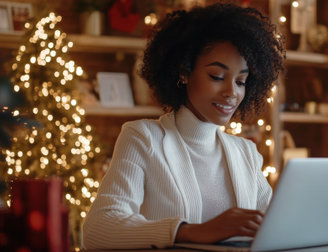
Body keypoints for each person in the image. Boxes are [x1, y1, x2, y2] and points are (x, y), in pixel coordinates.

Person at [82, 3, 284, 250]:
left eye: (241, 81)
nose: (232, 92)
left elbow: (275, 229)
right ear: (184, 72)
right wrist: (190, 232)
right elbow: (97, 230)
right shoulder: (144, 138)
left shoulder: (245, 152)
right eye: (217, 77)